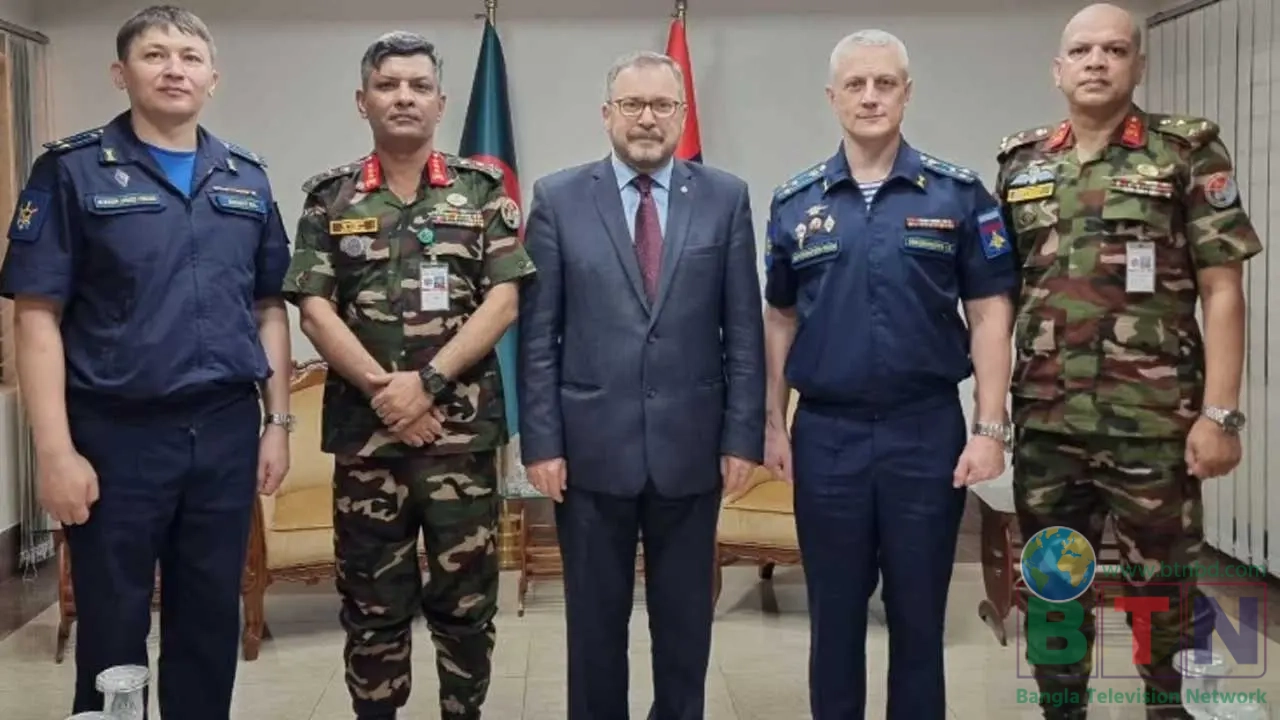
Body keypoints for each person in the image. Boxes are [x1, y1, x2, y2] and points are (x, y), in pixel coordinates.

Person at [0, 5, 292, 718]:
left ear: (213, 78)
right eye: (154, 55)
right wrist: (54, 453)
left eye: (190, 57)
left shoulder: (246, 177)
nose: (173, 70)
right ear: (121, 73)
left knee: (209, 623)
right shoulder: (71, 171)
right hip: (115, 437)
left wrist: (277, 423)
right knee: (112, 628)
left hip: (223, 431)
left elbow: (268, 307)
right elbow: (35, 317)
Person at [996, 4, 1262, 719]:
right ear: (1057, 70)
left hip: (1154, 426)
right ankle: (1062, 710)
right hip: (1047, 427)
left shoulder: (1185, 153)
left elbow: (1224, 290)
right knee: (1053, 589)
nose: (1096, 62)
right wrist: (991, 416)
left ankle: (1167, 709)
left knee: (1163, 593)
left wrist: (1221, 415)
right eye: (1082, 50)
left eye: (1114, 50)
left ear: (1138, 65)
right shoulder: (1022, 163)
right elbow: (999, 298)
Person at [762, 29, 1016, 720]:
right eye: (856, 84)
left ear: (907, 93)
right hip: (828, 435)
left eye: (885, 83)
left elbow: (990, 313)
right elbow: (779, 317)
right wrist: (772, 423)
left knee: (919, 618)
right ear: (833, 97)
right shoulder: (795, 203)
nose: (870, 96)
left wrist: (989, 427)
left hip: (924, 431)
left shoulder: (960, 195)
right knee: (834, 619)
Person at [281, 31, 534, 720]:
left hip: (459, 439)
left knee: (466, 607)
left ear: (441, 103)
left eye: (419, 86)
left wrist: (426, 386)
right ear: (362, 100)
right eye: (388, 85)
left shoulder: (481, 192)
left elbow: (504, 300)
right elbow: (314, 310)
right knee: (372, 608)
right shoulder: (329, 199)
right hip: (368, 443)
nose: (403, 97)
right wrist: (384, 392)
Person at [517, 50, 765, 720]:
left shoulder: (725, 197)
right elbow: (538, 336)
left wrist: (742, 437)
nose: (647, 118)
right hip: (589, 455)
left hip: (692, 451)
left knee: (684, 626)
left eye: (662, 105)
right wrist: (542, 444)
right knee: (594, 628)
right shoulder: (559, 198)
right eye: (632, 104)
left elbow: (744, 331)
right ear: (607, 114)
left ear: (682, 115)